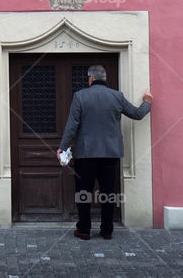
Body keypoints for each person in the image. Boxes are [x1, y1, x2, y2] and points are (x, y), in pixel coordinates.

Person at [57, 65, 152, 240]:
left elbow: (72, 125)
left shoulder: (80, 96)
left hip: (86, 154)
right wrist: (147, 103)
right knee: (108, 193)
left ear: (90, 78)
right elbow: (137, 114)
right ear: (105, 78)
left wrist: (63, 146)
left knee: (83, 192)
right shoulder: (117, 96)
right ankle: (107, 230)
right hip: (110, 154)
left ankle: (84, 230)